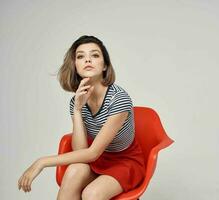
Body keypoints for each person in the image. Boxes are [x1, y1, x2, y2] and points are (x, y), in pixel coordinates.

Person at [17, 35, 146, 200]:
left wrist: (41, 162)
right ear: (75, 66)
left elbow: (92, 153)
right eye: (80, 56)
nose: (88, 60)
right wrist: (77, 109)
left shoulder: (118, 99)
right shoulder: (76, 101)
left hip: (125, 162)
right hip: (97, 160)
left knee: (91, 194)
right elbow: (80, 152)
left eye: (95, 55)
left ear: (105, 65)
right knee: (73, 171)